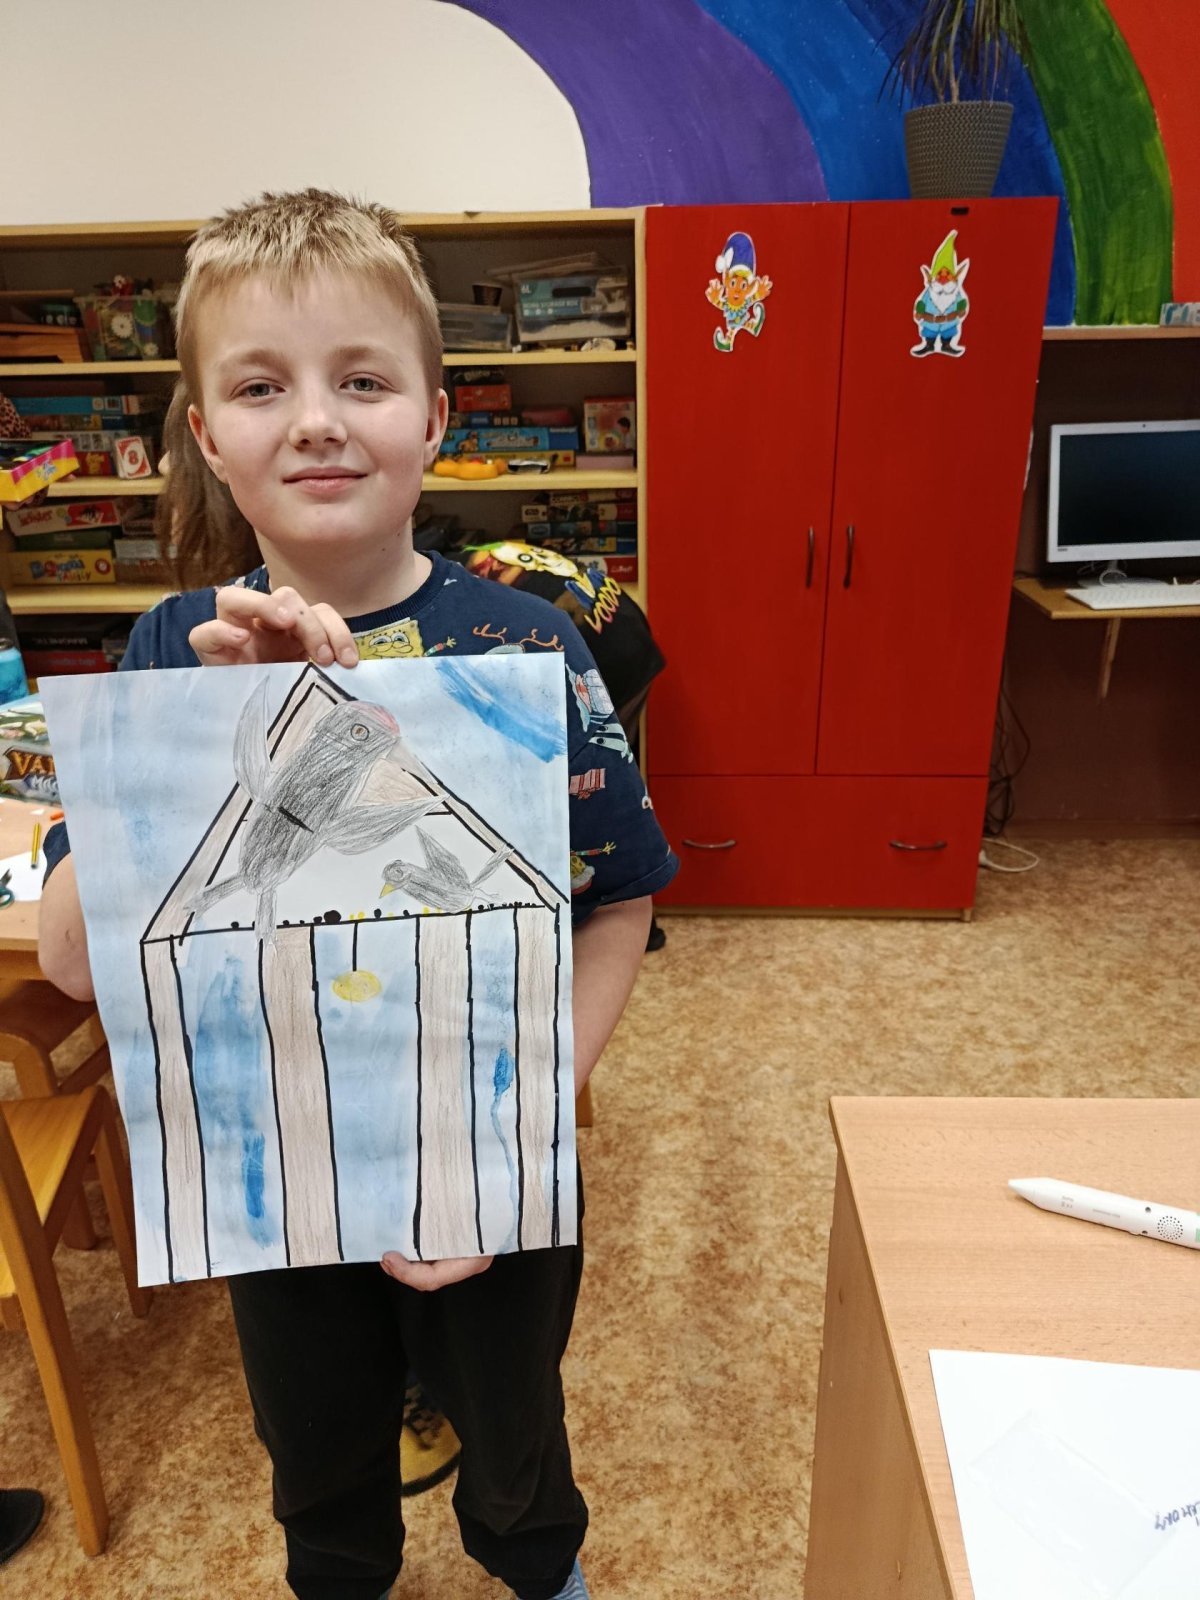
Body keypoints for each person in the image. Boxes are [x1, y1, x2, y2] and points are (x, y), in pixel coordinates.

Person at [38, 188, 676, 1600]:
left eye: (364, 381)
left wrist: (511, 1141)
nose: (317, 422)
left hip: (488, 1158)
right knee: (318, 1454)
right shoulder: (166, 651)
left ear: (435, 418)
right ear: (207, 435)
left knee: (514, 1433)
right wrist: (208, 740)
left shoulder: (526, 642)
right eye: (261, 386)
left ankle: (537, 1566)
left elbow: (618, 900)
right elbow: (79, 966)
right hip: (279, 1173)